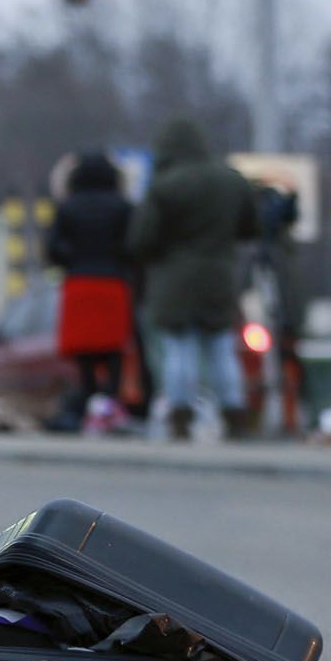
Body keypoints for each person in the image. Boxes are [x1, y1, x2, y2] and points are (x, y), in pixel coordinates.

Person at [127, 119, 258, 442]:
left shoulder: (164, 185)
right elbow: (251, 227)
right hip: (220, 274)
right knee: (221, 348)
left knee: (178, 349)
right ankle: (234, 413)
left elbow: (141, 239)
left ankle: (180, 418)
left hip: (174, 278)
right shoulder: (231, 181)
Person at [45, 152, 134, 434]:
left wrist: (74, 260)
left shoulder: (68, 207)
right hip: (113, 283)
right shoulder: (123, 207)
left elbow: (53, 249)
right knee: (113, 348)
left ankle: (89, 399)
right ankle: (112, 402)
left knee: (84, 351)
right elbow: (133, 246)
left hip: (79, 283)